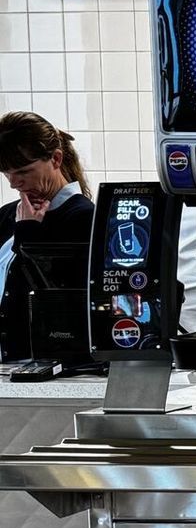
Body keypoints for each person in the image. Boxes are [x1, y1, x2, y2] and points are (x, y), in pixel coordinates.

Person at [0, 112, 95, 361]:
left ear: (55, 159)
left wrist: (28, 233)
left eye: (23, 171)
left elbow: (54, 295)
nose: (14, 183)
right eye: (6, 173)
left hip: (45, 359)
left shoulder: (83, 218)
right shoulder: (7, 215)